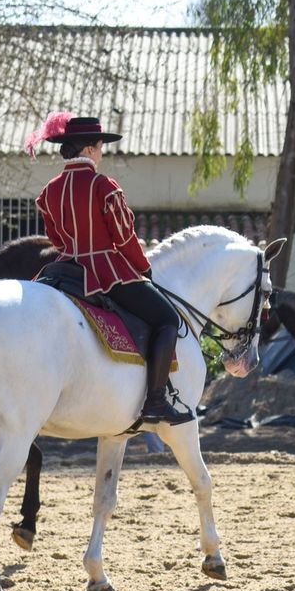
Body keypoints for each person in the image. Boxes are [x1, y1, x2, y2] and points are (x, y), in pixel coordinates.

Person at [31, 113, 190, 425]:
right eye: (100, 146)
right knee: (168, 318)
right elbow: (124, 236)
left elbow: (55, 237)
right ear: (90, 149)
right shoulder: (104, 186)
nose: (102, 152)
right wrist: (144, 267)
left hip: (63, 268)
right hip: (106, 271)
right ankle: (156, 400)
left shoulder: (49, 190)